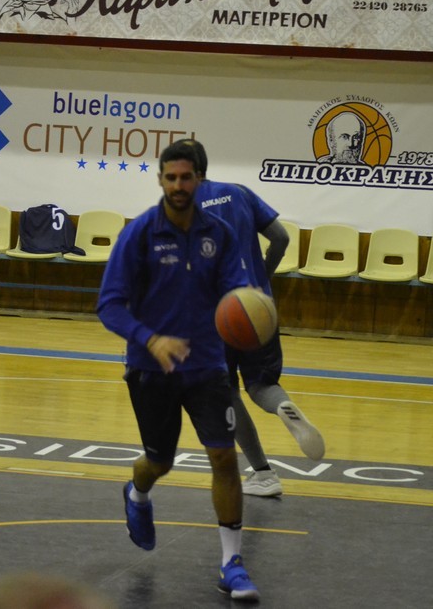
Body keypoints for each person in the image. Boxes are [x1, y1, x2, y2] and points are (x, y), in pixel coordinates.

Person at [96, 140, 260, 601]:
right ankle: (137, 493)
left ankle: (232, 563)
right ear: (161, 180)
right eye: (170, 178)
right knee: (160, 462)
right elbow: (109, 305)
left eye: (186, 177)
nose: (178, 185)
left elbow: (237, 291)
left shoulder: (219, 233)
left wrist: (250, 311)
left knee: (224, 457)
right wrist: (151, 339)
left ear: (199, 180)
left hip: (207, 365)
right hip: (151, 368)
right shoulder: (139, 234)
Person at [188, 139, 326, 498]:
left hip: (218, 315)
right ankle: (282, 406)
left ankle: (264, 474)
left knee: (226, 393)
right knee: (261, 384)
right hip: (258, 305)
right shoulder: (240, 192)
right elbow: (280, 237)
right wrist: (264, 277)